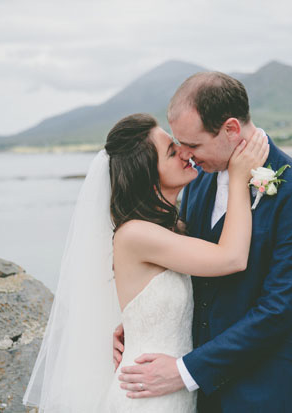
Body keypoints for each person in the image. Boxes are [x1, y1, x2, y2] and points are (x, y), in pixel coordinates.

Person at [23, 112, 269, 412]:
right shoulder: (136, 235)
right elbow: (231, 257)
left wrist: (275, 287)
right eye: (171, 151)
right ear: (148, 176)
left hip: (175, 389)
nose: (184, 152)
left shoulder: (175, 227)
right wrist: (241, 175)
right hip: (145, 394)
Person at [115, 72, 292, 412]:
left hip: (270, 392)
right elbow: (191, 268)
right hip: (203, 396)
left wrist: (185, 372)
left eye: (194, 144)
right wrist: (139, 321)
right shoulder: (199, 179)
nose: (186, 154)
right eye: (179, 144)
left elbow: (277, 310)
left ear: (230, 129)